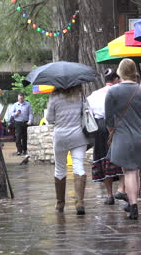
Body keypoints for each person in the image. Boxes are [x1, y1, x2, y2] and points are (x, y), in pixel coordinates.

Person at [105, 58, 141, 220]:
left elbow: (108, 119)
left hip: (122, 137)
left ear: (120, 72)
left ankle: (134, 205)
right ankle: (131, 201)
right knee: (134, 170)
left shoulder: (113, 92)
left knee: (128, 171)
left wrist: (111, 132)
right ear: (134, 71)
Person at [46, 85, 90, 215]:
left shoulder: (54, 98)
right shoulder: (80, 96)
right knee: (78, 166)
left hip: (60, 137)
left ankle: (60, 204)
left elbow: (49, 119)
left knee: (60, 168)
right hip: (78, 136)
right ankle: (79, 202)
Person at [87, 68, 126, 205]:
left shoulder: (93, 95)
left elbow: (89, 111)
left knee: (103, 159)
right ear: (116, 79)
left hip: (99, 127)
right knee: (121, 158)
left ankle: (109, 195)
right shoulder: (119, 92)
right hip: (115, 125)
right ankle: (122, 189)